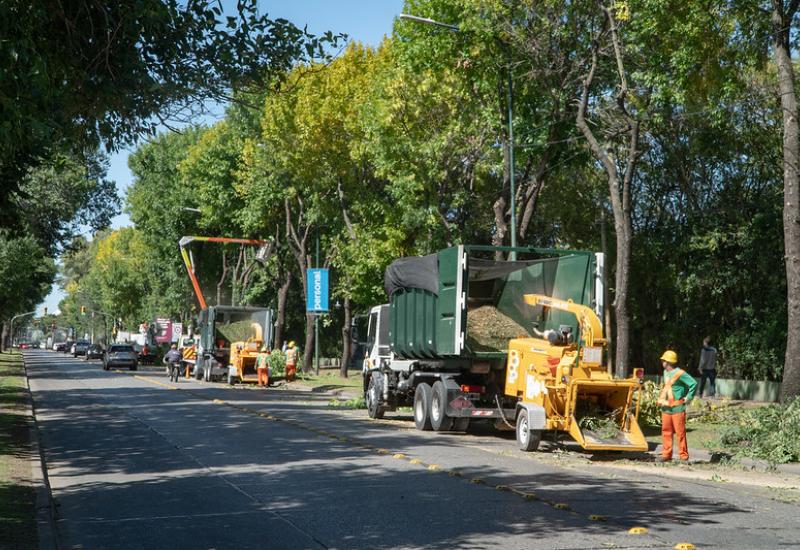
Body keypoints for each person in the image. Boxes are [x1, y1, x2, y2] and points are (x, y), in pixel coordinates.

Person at [657, 350, 697, 463]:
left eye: (663, 360)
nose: (662, 362)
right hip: (666, 407)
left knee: (680, 433)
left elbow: (693, 383)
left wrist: (688, 397)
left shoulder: (680, 373)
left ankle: (684, 457)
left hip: (678, 407)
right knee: (666, 431)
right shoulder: (665, 372)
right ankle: (666, 455)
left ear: (668, 362)